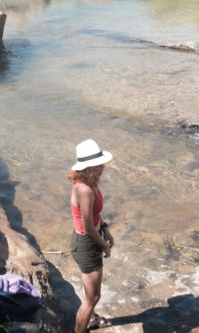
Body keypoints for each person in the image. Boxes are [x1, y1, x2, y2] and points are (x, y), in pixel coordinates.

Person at [69, 139, 115, 333]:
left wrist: (104, 227)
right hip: (86, 244)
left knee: (90, 292)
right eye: (100, 163)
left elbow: (94, 216)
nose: (103, 166)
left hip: (90, 239)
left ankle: (92, 318)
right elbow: (87, 226)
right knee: (92, 297)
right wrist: (103, 246)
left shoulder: (89, 183)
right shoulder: (84, 189)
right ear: (91, 167)